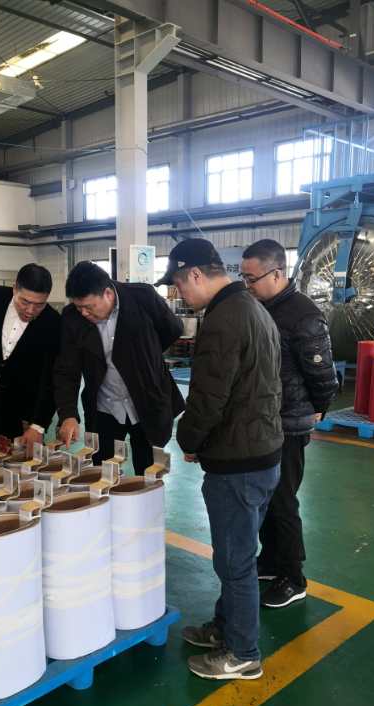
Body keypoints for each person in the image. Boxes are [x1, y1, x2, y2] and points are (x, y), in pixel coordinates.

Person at [159, 238, 283, 681]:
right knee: (239, 554)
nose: (177, 293)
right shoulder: (253, 309)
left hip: (238, 461)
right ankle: (225, 628)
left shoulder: (223, 319)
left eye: (178, 283)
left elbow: (209, 396)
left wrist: (189, 439)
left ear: (195, 274)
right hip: (263, 452)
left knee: (235, 562)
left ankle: (243, 653)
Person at [240, 240, 338, 608]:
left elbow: (323, 374)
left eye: (252, 278)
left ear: (277, 273)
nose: (247, 285)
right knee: (265, 496)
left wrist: (319, 407)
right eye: (243, 278)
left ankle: (294, 577)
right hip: (264, 420)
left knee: (283, 500)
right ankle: (270, 561)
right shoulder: (260, 307)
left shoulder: (303, 314)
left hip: (290, 421)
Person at [54, 260, 185, 474]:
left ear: (108, 293)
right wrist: (68, 414)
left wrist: (146, 354)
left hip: (147, 403)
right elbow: (67, 369)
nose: (84, 313)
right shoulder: (71, 318)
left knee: (150, 472)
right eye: (79, 307)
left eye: (89, 307)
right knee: (103, 472)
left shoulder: (142, 297)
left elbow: (172, 329)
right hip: (105, 408)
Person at [0, 263, 61, 451]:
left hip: (25, 409)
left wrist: (38, 425)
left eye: (39, 304)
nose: (30, 310)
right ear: (15, 289)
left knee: (25, 461)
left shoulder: (53, 323)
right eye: (25, 302)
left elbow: (50, 378)